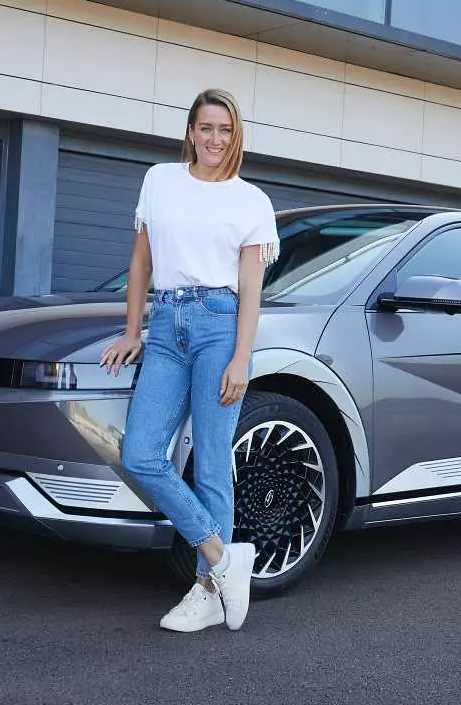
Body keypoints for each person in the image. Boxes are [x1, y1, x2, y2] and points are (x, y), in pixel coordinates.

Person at [100, 88, 279, 633]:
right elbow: (141, 260)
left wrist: (241, 357)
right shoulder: (160, 180)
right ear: (191, 131)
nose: (215, 139)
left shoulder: (252, 201)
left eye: (225, 130)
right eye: (206, 128)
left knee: (213, 454)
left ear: (236, 135)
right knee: (140, 454)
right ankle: (225, 558)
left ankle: (206, 589)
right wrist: (133, 330)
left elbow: (252, 287)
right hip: (166, 325)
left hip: (219, 327)